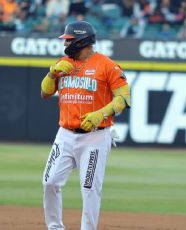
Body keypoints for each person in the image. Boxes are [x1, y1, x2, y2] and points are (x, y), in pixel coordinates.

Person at [40, 20, 131, 230]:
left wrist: (102, 113)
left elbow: (124, 98)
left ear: (83, 41)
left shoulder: (107, 65)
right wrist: (52, 73)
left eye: (69, 40)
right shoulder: (63, 63)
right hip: (65, 133)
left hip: (95, 136)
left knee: (90, 188)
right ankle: (54, 227)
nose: (65, 45)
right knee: (50, 182)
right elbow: (44, 93)